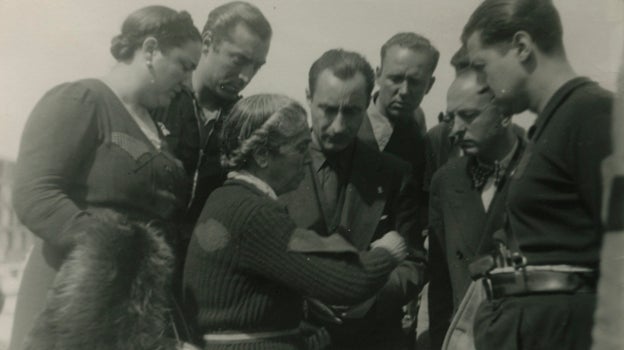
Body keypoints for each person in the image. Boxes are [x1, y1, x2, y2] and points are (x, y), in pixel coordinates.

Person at [10, 6, 202, 350]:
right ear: (150, 49)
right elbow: (35, 193)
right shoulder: (82, 100)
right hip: (71, 298)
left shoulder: (158, 128)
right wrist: (117, 250)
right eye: (184, 66)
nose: (188, 82)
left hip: (132, 307)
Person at [182, 94, 407, 350]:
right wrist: (389, 251)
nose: (309, 158)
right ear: (262, 154)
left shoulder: (226, 198)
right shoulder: (256, 213)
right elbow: (347, 282)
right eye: (300, 148)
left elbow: (240, 300)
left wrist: (290, 330)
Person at [462, 0, 613, 349]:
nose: (482, 85)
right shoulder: (551, 123)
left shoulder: (593, 113)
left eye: (482, 67)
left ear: (521, 46)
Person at [281, 49, 427, 350]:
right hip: (292, 336)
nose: (338, 125)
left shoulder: (394, 173)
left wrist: (370, 293)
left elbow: (414, 260)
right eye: (328, 109)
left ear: (367, 104)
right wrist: (300, 301)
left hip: (372, 338)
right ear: (308, 97)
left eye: (351, 112)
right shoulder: (275, 166)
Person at [427, 63, 525, 350]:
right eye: (450, 118)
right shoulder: (445, 181)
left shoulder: (545, 173)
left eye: (468, 116)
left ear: (505, 113)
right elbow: (441, 286)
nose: (455, 130)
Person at [156, 1, 272, 232]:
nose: (246, 77)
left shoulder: (245, 122)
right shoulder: (159, 98)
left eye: (256, 67)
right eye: (238, 60)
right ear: (207, 42)